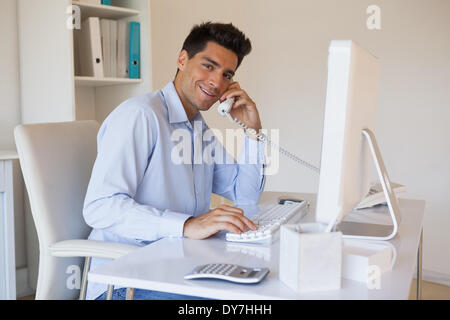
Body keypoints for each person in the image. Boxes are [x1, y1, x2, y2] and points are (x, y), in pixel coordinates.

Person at [83, 21, 266, 300]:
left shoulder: (198, 128)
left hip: (175, 270)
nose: (217, 82)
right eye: (208, 65)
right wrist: (186, 225)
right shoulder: (140, 116)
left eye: (227, 74)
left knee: (257, 288)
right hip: (125, 280)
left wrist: (253, 133)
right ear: (183, 59)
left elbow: (246, 196)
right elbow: (100, 207)